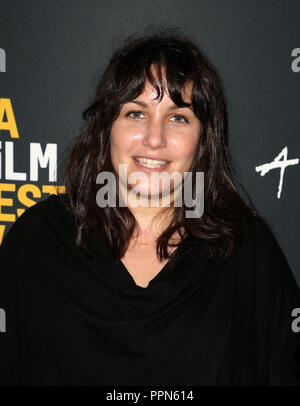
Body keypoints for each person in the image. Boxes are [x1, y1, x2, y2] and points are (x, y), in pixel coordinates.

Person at [0, 27, 300, 386]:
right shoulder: (37, 241)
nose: (154, 139)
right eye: (136, 114)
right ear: (107, 127)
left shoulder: (248, 252)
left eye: (178, 118)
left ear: (204, 139)